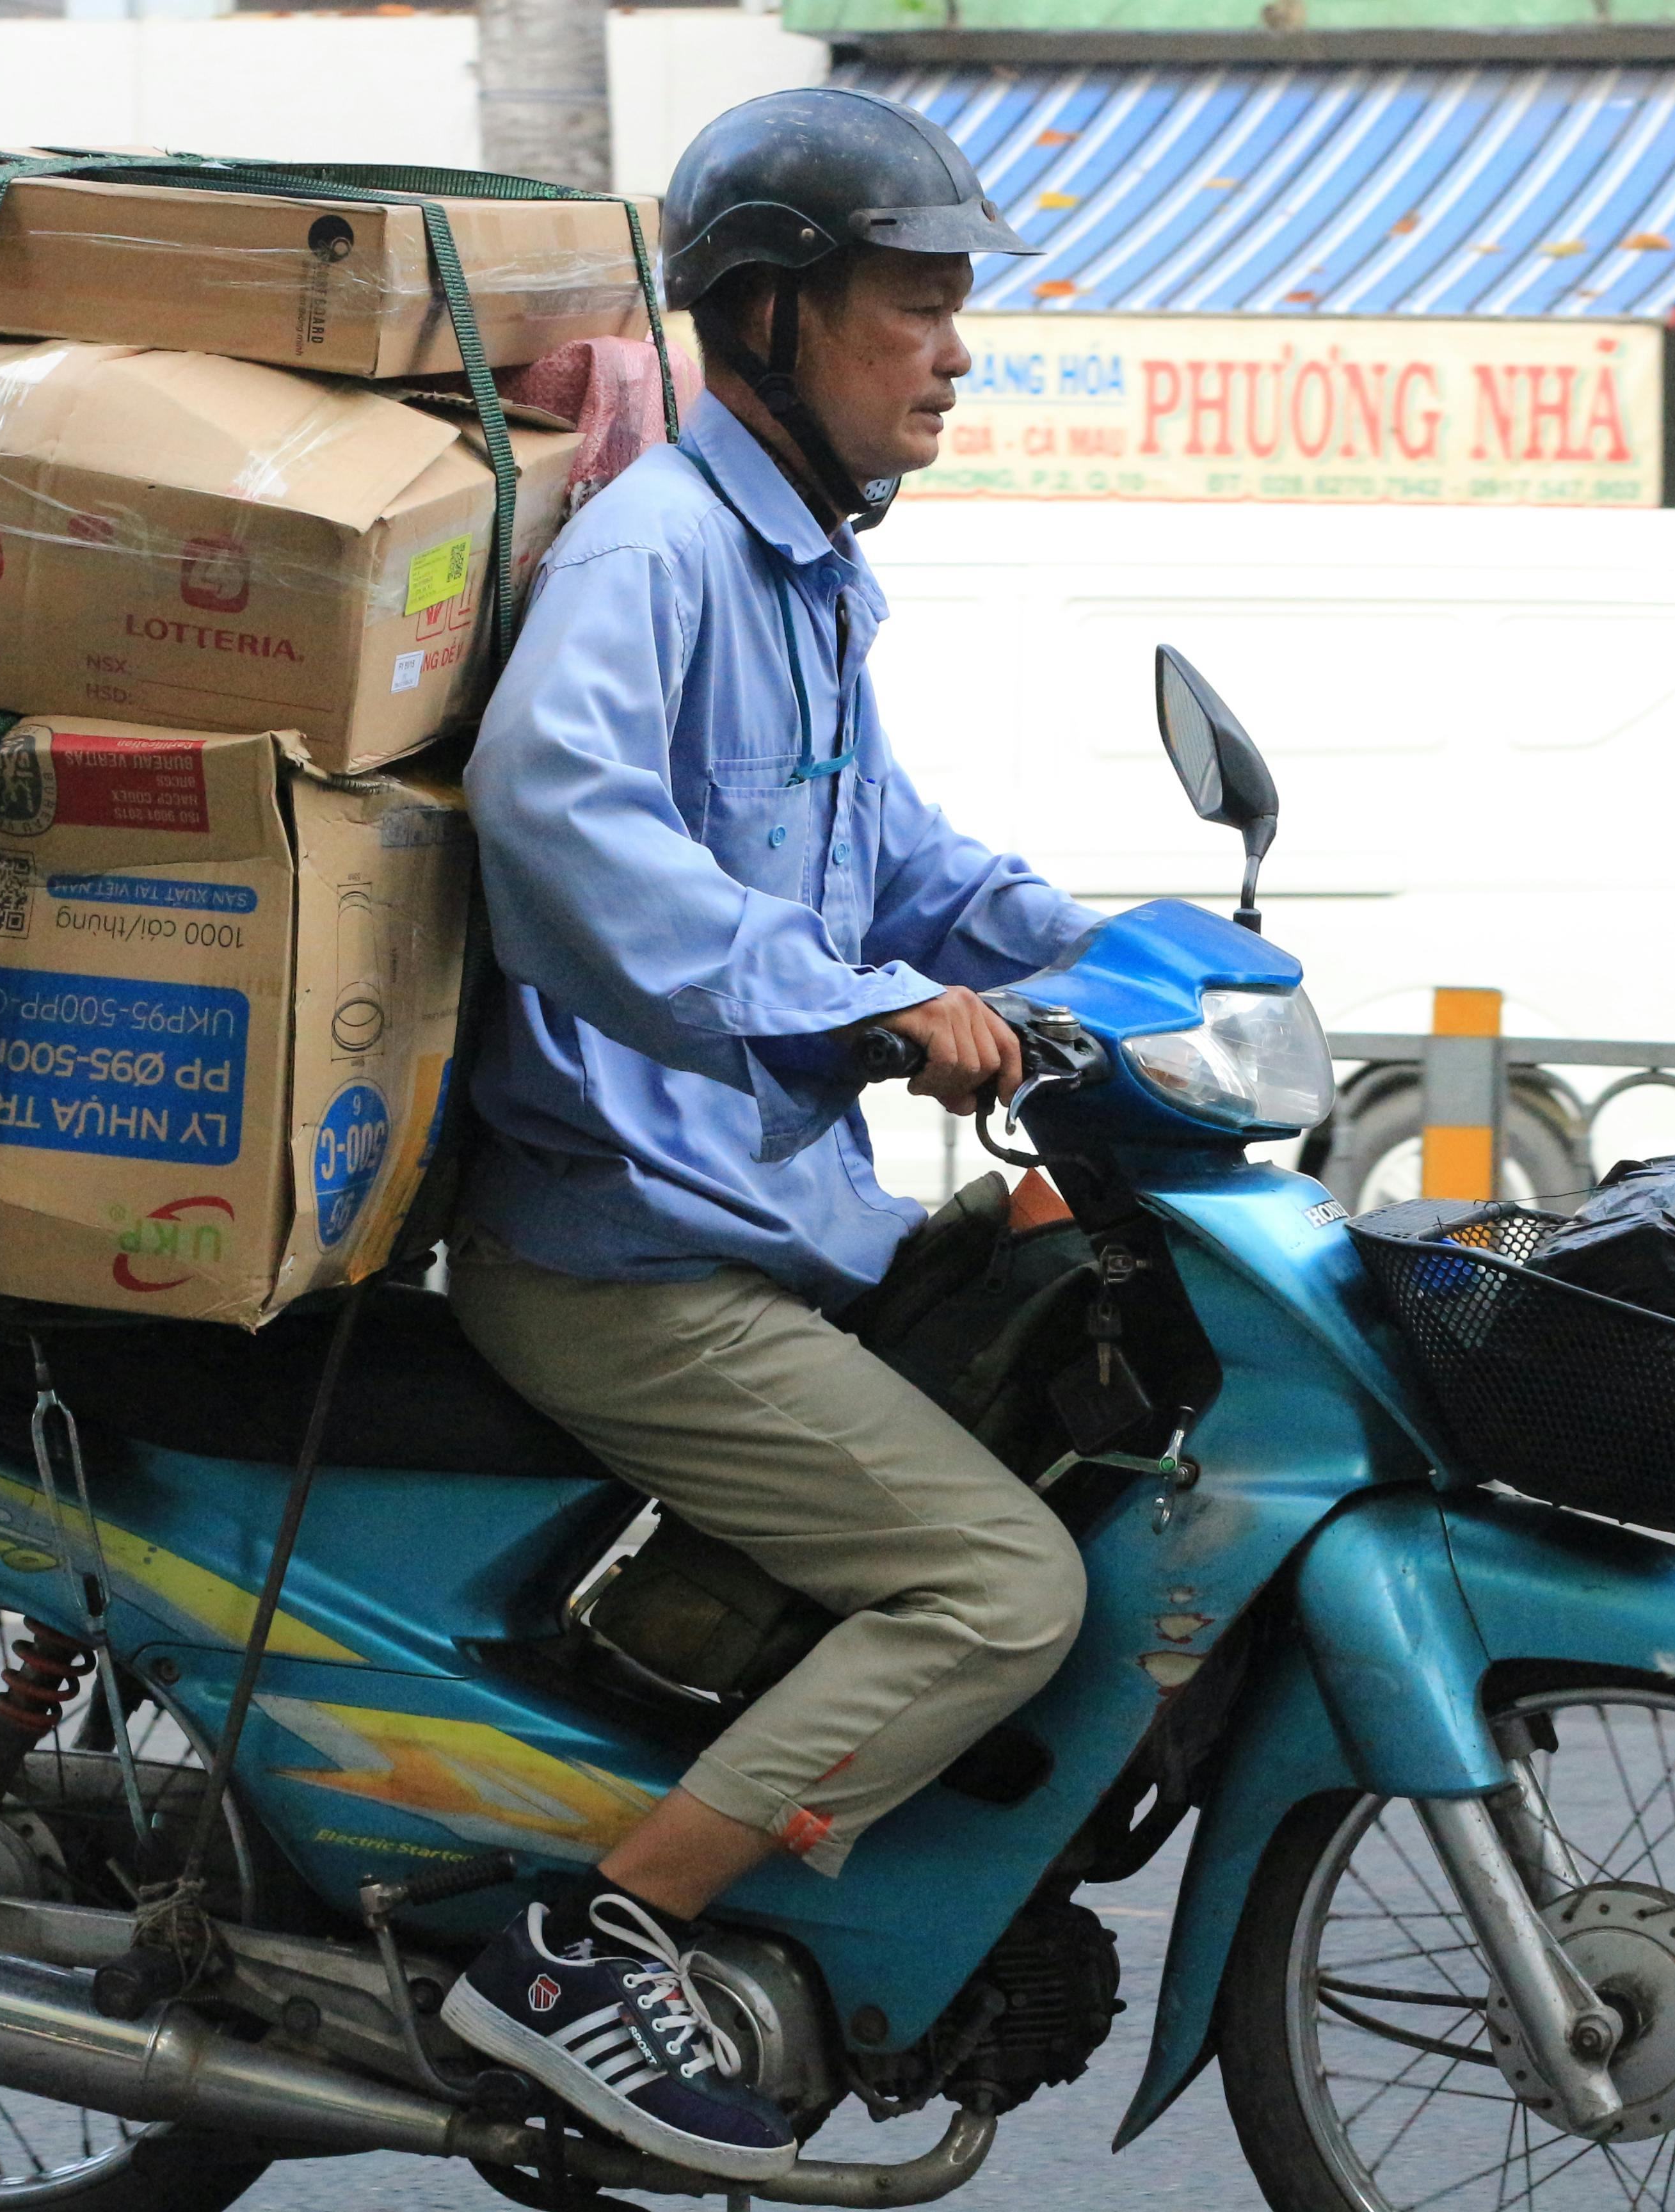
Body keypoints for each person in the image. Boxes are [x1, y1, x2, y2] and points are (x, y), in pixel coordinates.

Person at [433, 90, 1097, 2179]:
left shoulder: (801, 575)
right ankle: (590, 1941)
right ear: (776, 311)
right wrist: (859, 1003)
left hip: (755, 1213)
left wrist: (1110, 951)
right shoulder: (661, 549)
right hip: (624, 1237)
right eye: (916, 304)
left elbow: (884, 854)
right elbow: (565, 819)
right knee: (997, 1588)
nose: (953, 349)